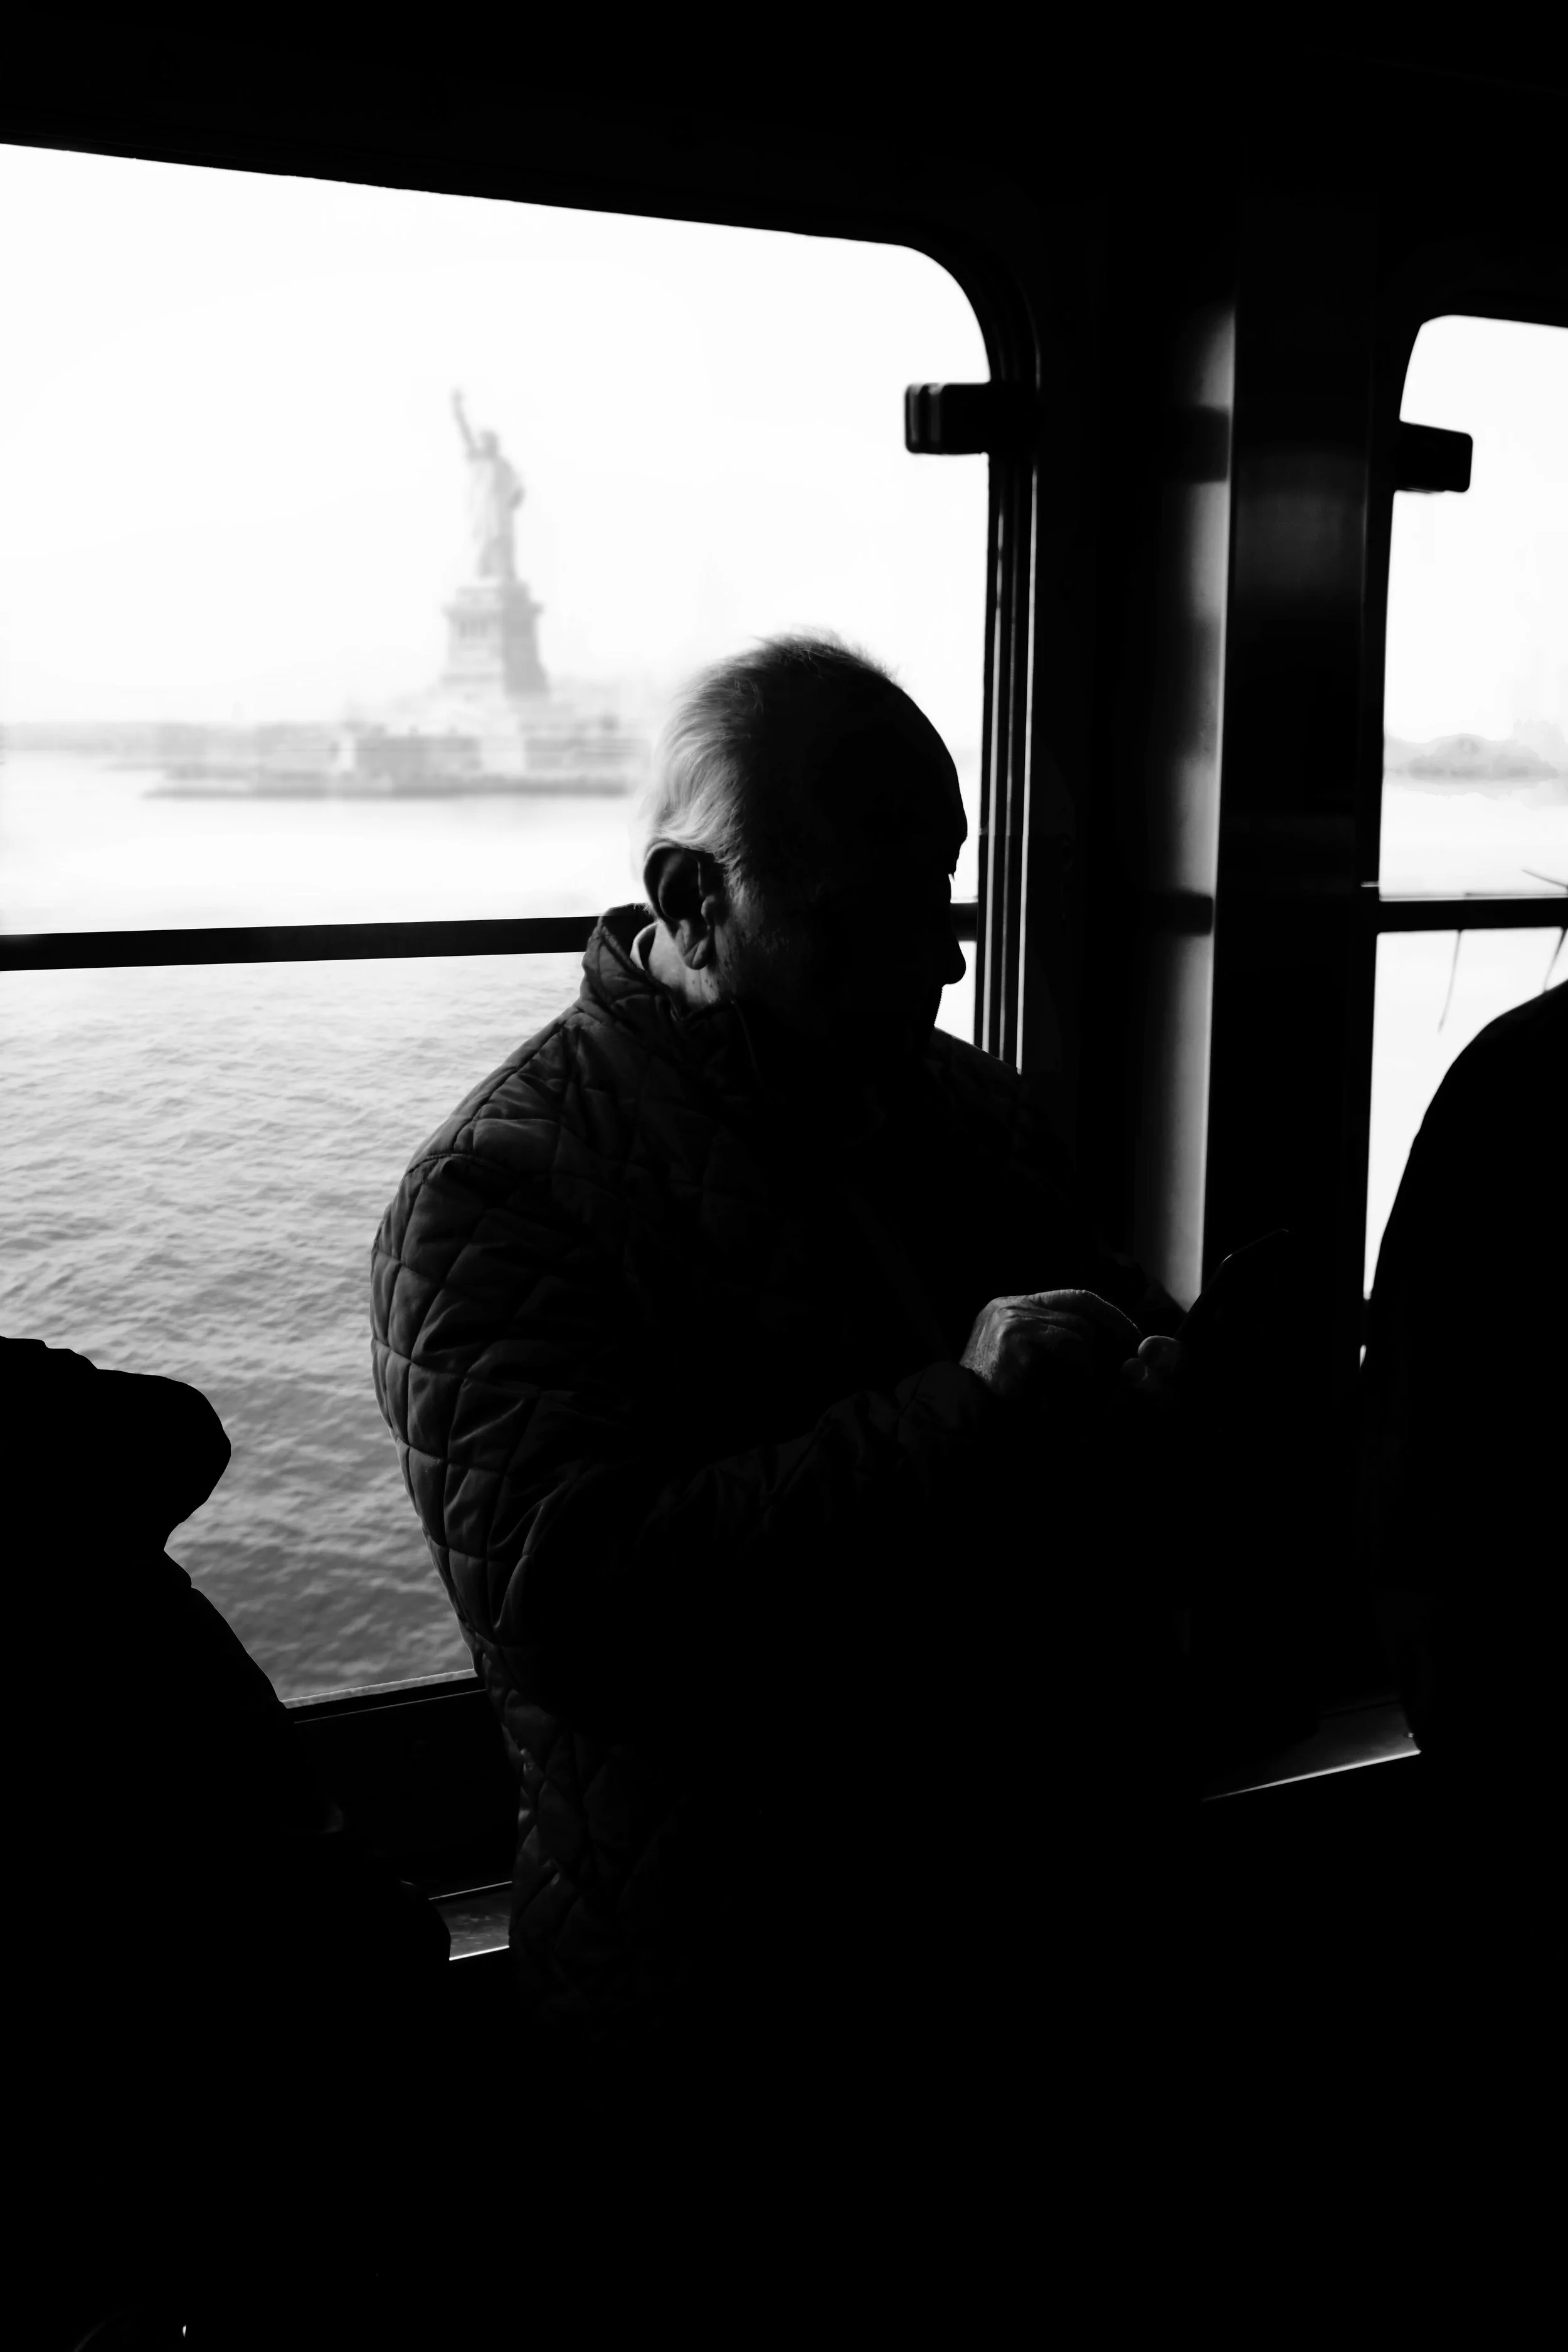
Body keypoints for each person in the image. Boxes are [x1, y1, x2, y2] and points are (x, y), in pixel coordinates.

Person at [370, 634, 1198, 2174]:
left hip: (1023, 1957)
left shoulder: (962, 1108)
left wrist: (1181, 1396)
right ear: (693, 904)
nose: (943, 956)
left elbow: (1101, 1350)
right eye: (869, 915)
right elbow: (580, 1607)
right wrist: (970, 1419)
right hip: (736, 2036)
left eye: (943, 895)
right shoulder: (494, 1194)